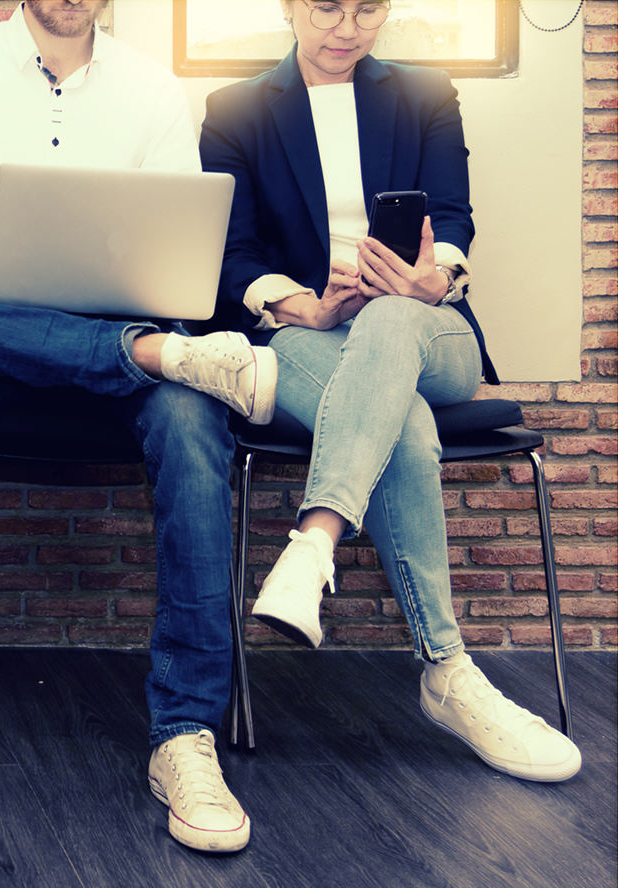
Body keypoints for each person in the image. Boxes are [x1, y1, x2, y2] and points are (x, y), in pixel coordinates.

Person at [0, 0, 276, 853]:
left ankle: (185, 735)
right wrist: (15, 298)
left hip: (124, 355)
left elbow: (179, 251)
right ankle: (149, 354)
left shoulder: (154, 90)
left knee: (194, 432)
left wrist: (112, 323)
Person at [199, 0, 579, 781]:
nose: (346, 27)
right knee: (398, 412)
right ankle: (448, 669)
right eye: (327, 7)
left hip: (427, 330)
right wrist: (303, 302)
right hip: (308, 333)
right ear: (289, 7)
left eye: (367, 8)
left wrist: (429, 279)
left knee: (391, 322)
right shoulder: (233, 110)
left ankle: (314, 542)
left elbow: (457, 220)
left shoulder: (426, 92)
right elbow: (230, 254)